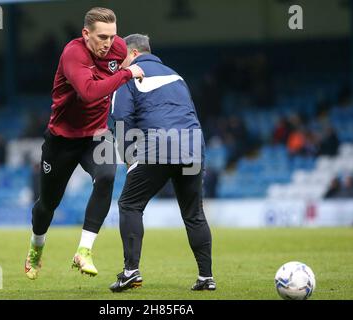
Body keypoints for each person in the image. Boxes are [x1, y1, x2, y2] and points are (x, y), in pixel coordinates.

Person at [24, 7, 145, 280]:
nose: (109, 43)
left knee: (107, 176)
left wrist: (130, 69)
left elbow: (126, 70)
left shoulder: (118, 49)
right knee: (48, 204)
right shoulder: (73, 54)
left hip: (96, 135)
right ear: (86, 34)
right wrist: (126, 74)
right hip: (62, 140)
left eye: (113, 37)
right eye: (102, 37)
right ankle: (36, 245)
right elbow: (89, 93)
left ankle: (84, 250)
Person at [109, 34, 215, 292]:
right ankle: (206, 277)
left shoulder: (129, 75)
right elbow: (190, 114)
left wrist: (129, 155)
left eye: (121, 56)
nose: (119, 63)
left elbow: (121, 117)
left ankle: (131, 271)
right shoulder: (176, 76)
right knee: (194, 213)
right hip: (192, 144)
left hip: (158, 145)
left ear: (133, 53)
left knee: (130, 204)